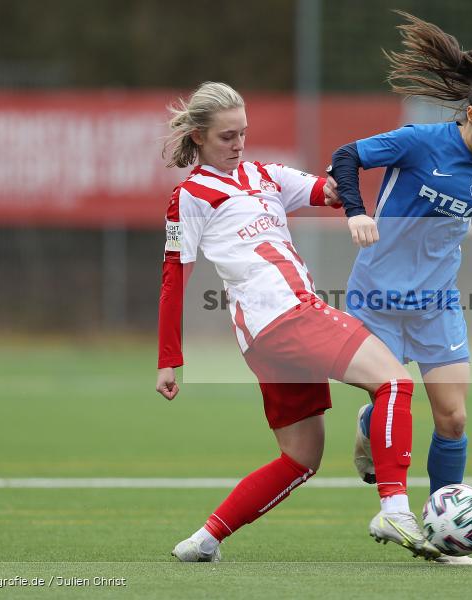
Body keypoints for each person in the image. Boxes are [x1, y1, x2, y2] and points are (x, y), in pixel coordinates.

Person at [156, 81, 440, 562]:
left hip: (265, 336)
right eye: (226, 136)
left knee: (301, 458)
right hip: (285, 315)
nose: (238, 144)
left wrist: (363, 173)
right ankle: (394, 508)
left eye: (243, 133)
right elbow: (173, 278)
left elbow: (329, 191)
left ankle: (203, 541)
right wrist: (169, 359)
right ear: (198, 137)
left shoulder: (265, 174)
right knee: (395, 381)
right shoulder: (190, 196)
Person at [329, 12, 472, 564]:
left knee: (453, 418)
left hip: (437, 304)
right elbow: (347, 156)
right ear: (470, 114)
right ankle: (370, 428)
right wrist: (355, 211)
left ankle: (442, 530)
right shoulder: (419, 142)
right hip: (378, 298)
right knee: (392, 400)